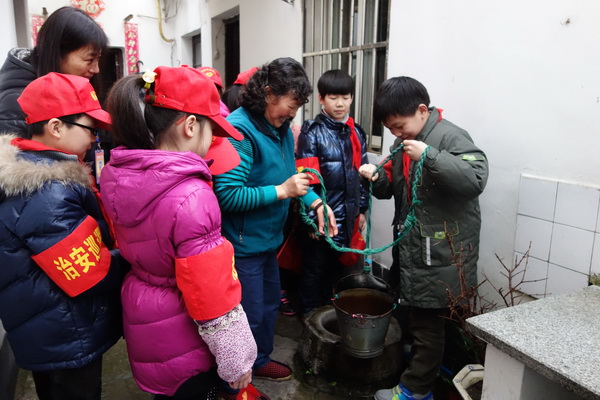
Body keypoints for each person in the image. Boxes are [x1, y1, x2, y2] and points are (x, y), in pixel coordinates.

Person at [99, 65, 261, 400]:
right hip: (184, 335)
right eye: (210, 130)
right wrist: (238, 360)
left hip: (147, 321)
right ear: (189, 126)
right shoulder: (192, 196)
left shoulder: (118, 173)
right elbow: (211, 293)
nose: (212, 141)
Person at [359, 77, 489, 400]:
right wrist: (375, 177)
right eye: (391, 129)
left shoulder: (450, 136)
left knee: (428, 326)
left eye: (399, 126)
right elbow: (392, 189)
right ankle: (424, 371)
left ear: (421, 110)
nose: (397, 133)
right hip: (414, 249)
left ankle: (415, 391)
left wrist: (429, 155)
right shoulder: (406, 141)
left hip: (438, 253)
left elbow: (476, 178)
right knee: (421, 321)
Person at [0, 72, 128, 400]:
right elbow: (89, 272)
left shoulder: (34, 172)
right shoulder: (47, 191)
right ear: (56, 127)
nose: (95, 139)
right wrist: (132, 258)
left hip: (48, 326)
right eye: (91, 129)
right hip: (64, 333)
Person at [213, 57, 337, 382]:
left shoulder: (277, 126)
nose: (291, 114)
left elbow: (290, 174)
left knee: (269, 305)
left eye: (296, 108)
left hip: (269, 241)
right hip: (243, 245)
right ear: (268, 93)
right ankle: (238, 377)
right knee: (250, 313)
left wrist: (315, 203)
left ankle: (260, 360)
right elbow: (227, 195)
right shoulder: (240, 130)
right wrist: (282, 191)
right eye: (289, 106)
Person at [296, 69, 369, 315]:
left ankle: (330, 313)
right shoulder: (312, 132)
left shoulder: (356, 132)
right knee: (313, 268)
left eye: (345, 97)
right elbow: (306, 179)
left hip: (348, 216)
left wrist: (362, 210)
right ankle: (309, 314)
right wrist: (311, 219)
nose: (340, 103)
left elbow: (363, 176)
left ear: (351, 98)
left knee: (338, 270)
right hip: (320, 216)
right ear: (321, 99)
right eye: (333, 97)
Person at [0, 6, 108, 136]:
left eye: (98, 59)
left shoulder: (67, 89)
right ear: (57, 54)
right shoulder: (17, 102)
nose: (96, 69)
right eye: (89, 59)